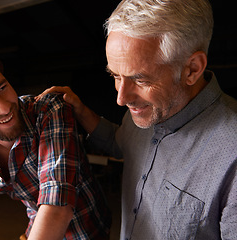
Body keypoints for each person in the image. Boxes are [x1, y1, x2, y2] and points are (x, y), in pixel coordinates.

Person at [36, 0, 237, 239]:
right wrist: (81, 111)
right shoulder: (146, 110)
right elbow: (122, 143)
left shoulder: (231, 155)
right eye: (115, 75)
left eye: (140, 80)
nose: (121, 98)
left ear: (192, 69)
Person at [0, 44, 111, 240]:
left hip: (90, 229)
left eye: (2, 88)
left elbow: (57, 202)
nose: (4, 108)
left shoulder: (48, 110)